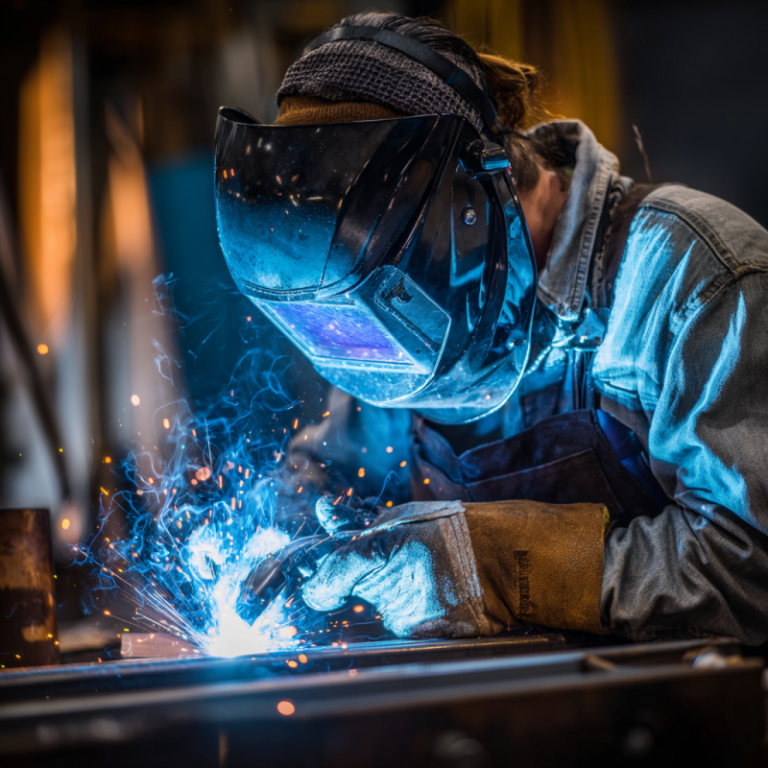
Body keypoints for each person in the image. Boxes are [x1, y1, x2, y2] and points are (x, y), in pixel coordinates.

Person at [214, 12, 768, 644]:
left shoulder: (691, 281)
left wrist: (491, 566)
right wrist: (298, 542)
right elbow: (329, 468)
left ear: (474, 211)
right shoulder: (385, 312)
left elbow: (750, 570)